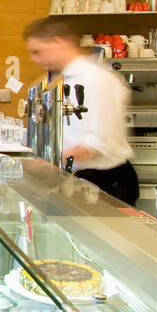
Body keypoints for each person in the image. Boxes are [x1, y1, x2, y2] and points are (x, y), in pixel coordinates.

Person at [23, 17, 140, 204]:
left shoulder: (95, 79)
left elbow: (95, 145)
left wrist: (44, 163)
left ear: (57, 42)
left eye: (37, 52)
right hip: (79, 176)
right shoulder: (67, 80)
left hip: (106, 181)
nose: (34, 59)